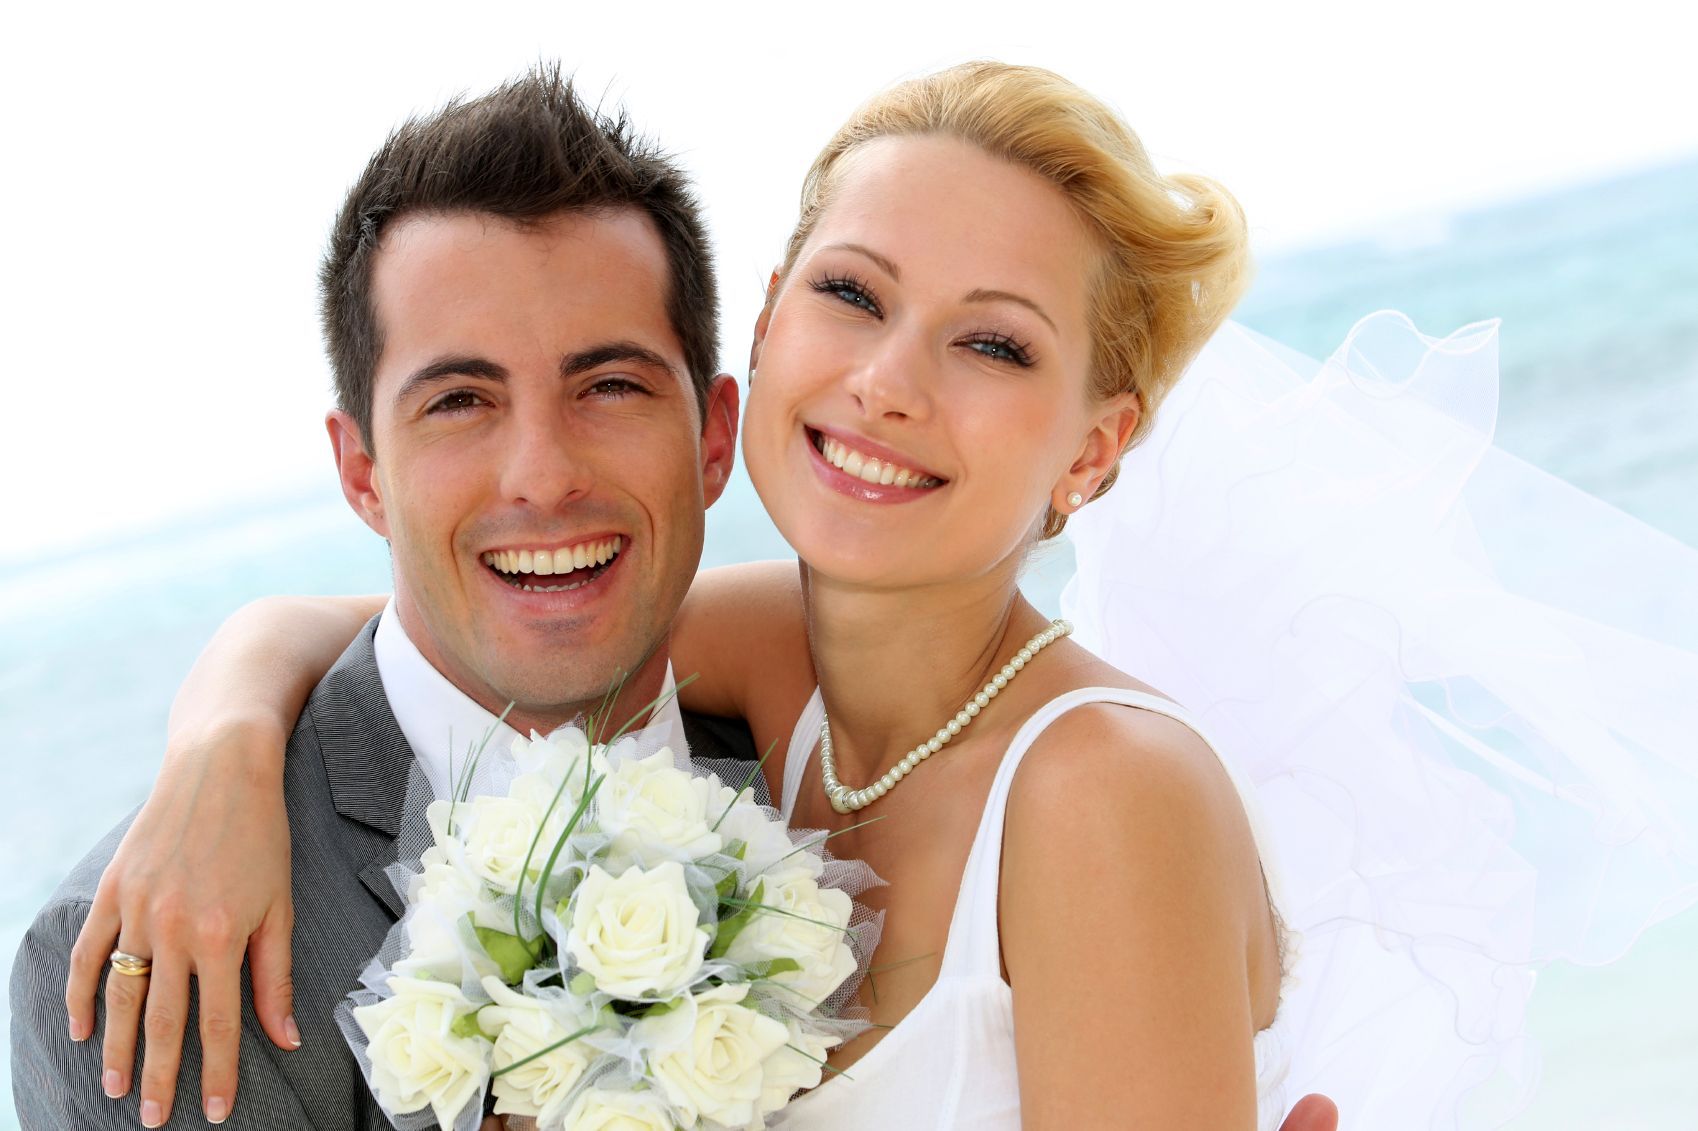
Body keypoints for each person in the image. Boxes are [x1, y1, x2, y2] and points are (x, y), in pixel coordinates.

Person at [22, 62, 1430, 1130]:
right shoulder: (765, 666)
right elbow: (437, 625)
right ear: (769, 327)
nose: (887, 382)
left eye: (993, 344)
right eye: (856, 295)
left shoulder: (1100, 795)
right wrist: (220, 736)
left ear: (1095, 444)